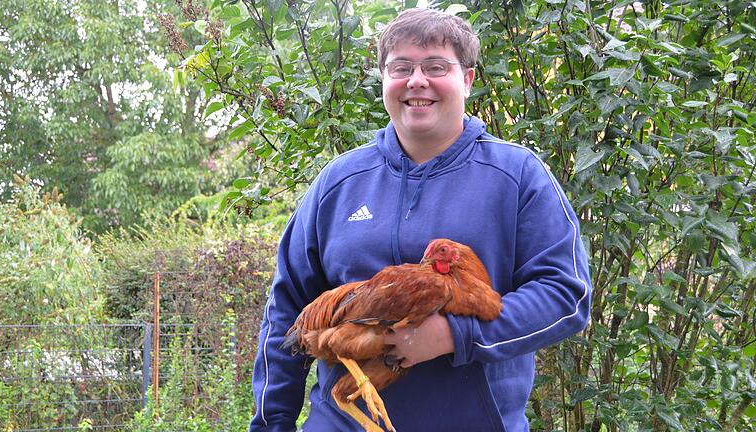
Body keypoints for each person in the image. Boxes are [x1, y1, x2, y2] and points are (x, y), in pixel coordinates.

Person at [249, 7, 591, 432]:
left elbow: (565, 296)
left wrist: (454, 335)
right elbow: (286, 311)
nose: (417, 80)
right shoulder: (339, 182)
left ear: (467, 79)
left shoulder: (518, 175)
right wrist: (270, 424)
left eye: (435, 66)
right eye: (401, 67)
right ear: (384, 80)